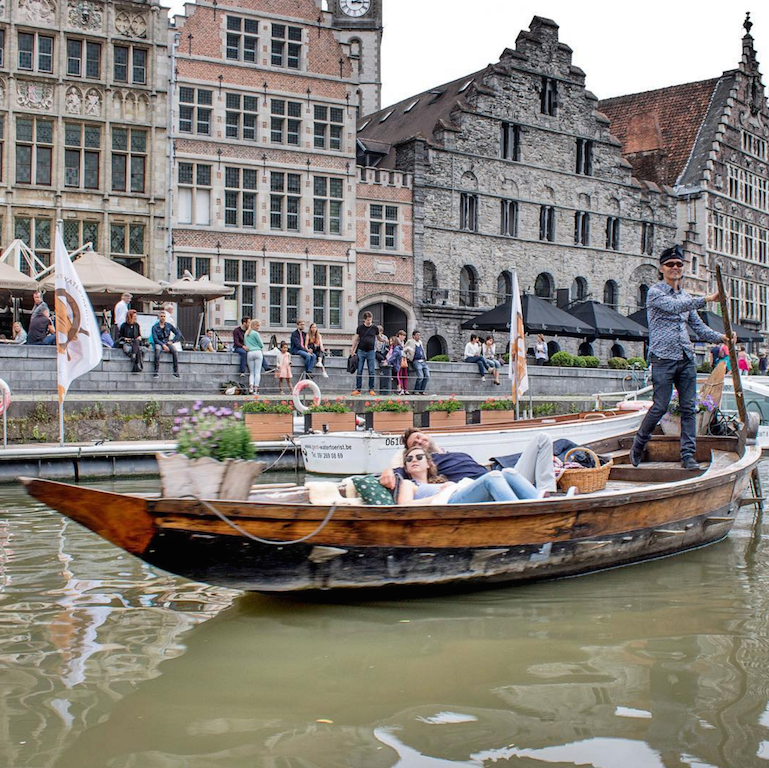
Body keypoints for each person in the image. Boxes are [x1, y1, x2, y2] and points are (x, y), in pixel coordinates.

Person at [629, 245, 732, 470]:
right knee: (660, 405)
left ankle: (688, 456)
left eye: (678, 264)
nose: (675, 268)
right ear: (662, 268)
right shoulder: (655, 293)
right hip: (662, 357)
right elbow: (675, 307)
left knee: (688, 408)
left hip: (685, 357)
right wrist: (708, 298)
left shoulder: (685, 296)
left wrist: (721, 338)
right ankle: (639, 442)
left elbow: (698, 327)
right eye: (670, 264)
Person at [379, 428, 557, 495]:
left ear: (426, 435)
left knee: (543, 438)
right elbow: (405, 470)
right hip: (484, 488)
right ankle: (541, 499)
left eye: (419, 437)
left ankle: (546, 492)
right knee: (497, 475)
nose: (419, 442)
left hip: (502, 479)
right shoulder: (425, 462)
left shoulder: (453, 453)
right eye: (414, 445)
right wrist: (389, 471)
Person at [396, 445, 541, 505]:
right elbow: (404, 506)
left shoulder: (438, 479)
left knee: (509, 472)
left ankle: (542, 506)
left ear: (428, 463)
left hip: (460, 493)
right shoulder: (409, 484)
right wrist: (437, 496)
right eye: (409, 459)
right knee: (493, 476)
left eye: (419, 457)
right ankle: (522, 517)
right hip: (447, 504)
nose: (414, 460)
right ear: (407, 468)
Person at [351, 311, 379, 396]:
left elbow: (378, 337)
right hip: (361, 351)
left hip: (371, 351)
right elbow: (356, 339)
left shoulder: (375, 328)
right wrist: (352, 349)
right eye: (368, 320)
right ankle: (358, 389)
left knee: (371, 371)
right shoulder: (360, 328)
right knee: (359, 370)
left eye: (370, 320)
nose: (369, 321)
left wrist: (384, 340)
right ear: (364, 320)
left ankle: (371, 389)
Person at [151, 310, 183, 378]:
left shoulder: (169, 325)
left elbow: (178, 334)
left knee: (174, 350)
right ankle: (156, 371)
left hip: (167, 342)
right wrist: (163, 345)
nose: (163, 318)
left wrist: (172, 341)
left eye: (164, 316)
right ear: (158, 317)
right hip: (159, 343)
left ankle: (176, 371)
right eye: (161, 316)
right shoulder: (154, 327)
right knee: (157, 350)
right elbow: (155, 339)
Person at [245, 319, 264, 395]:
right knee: (257, 372)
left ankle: (251, 388)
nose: (258, 327)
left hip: (249, 353)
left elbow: (246, 344)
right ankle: (256, 389)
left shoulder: (246, 333)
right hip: (257, 352)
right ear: (253, 325)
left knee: (251, 372)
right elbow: (261, 344)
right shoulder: (256, 333)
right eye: (257, 325)